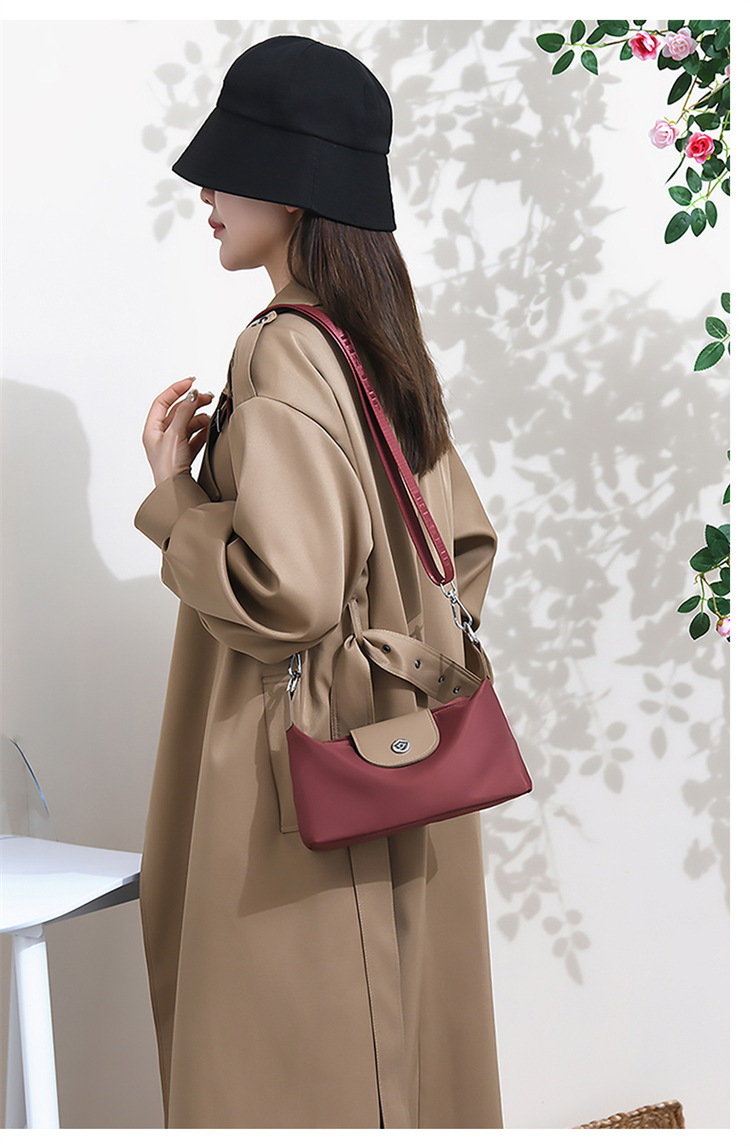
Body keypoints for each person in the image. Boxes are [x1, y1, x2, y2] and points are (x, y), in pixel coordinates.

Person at [135, 34, 503, 1130]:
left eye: (227, 167)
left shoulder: (283, 348)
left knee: (291, 1078)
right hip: (403, 766)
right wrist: (393, 660)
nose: (205, 193)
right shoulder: (381, 344)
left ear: (290, 186)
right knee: (402, 1068)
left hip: (295, 790)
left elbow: (289, 594)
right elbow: (465, 546)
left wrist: (174, 496)